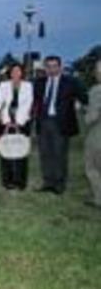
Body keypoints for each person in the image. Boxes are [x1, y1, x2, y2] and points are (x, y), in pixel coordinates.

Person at [33, 55, 87, 194]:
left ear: (60, 67)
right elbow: (33, 100)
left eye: (54, 66)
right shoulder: (39, 82)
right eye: (48, 66)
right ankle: (47, 182)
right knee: (45, 154)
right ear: (45, 68)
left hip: (61, 124)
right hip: (43, 122)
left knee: (59, 154)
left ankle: (59, 184)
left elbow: (85, 97)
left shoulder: (71, 82)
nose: (51, 69)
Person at [0, 63, 34, 190]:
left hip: (22, 122)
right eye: (13, 71)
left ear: (22, 72)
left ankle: (20, 182)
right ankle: (7, 181)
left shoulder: (28, 86)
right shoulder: (3, 86)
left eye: (18, 71)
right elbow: (0, 104)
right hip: (6, 123)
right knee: (7, 152)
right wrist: (7, 122)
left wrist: (18, 122)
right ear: (10, 73)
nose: (16, 73)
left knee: (21, 152)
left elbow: (28, 104)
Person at [84, 60, 101, 209]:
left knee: (92, 167)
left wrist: (85, 116)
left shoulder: (97, 90)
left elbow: (93, 116)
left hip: (97, 134)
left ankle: (98, 198)